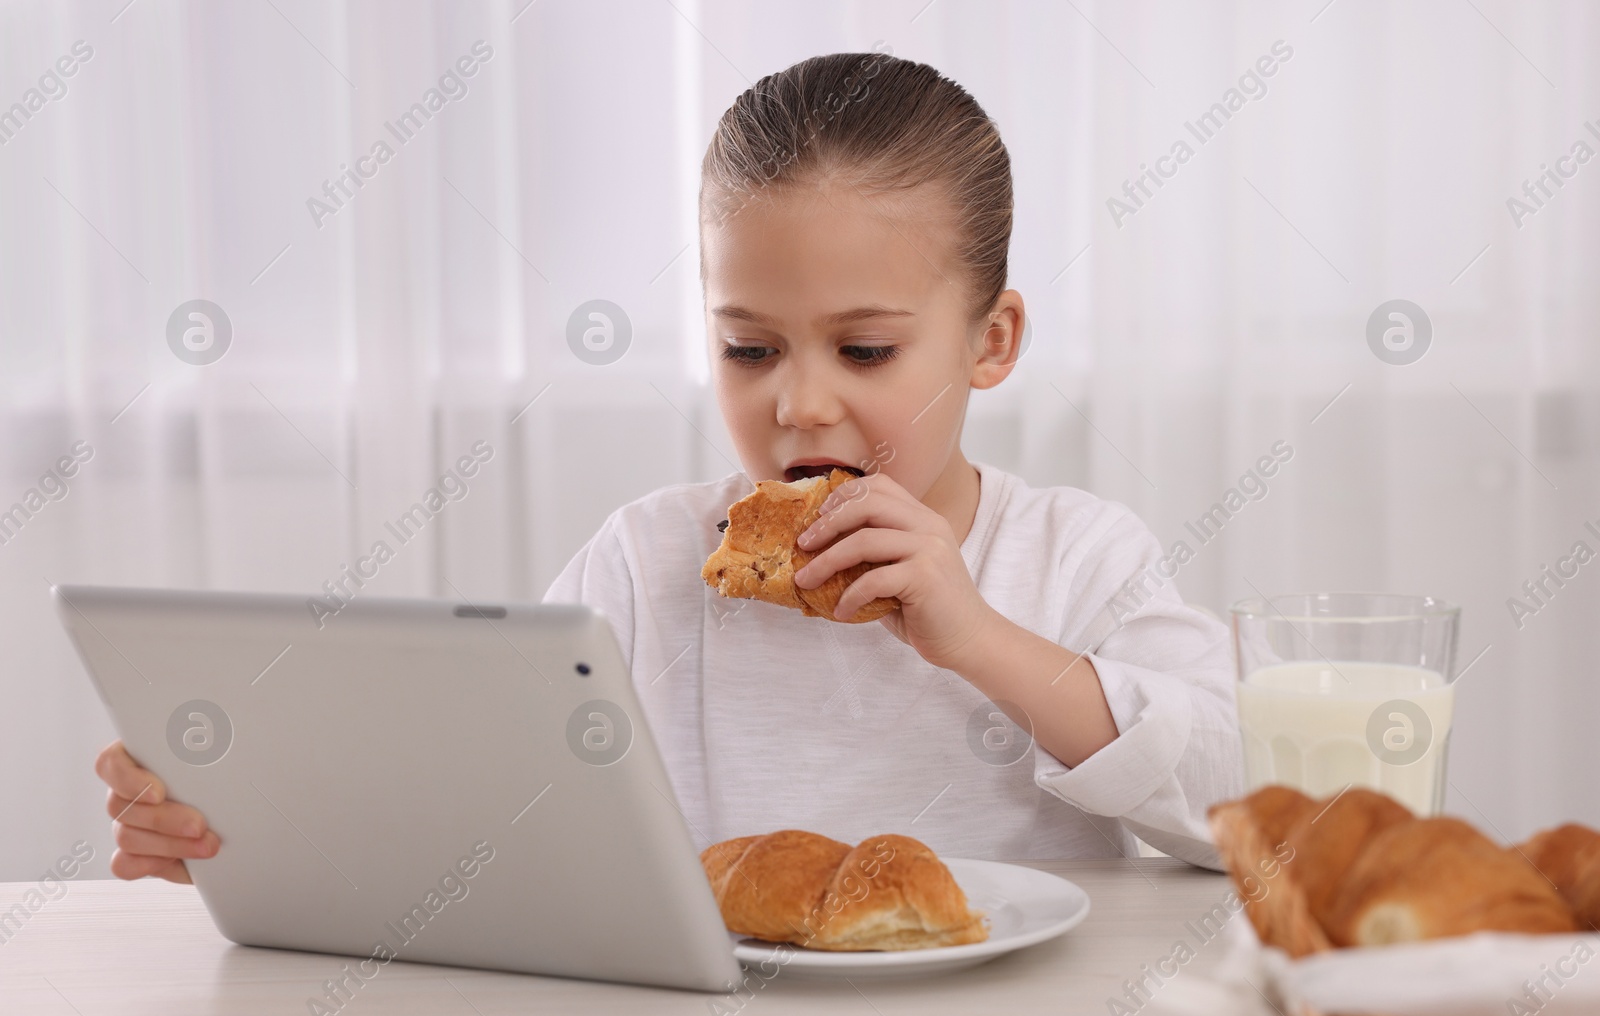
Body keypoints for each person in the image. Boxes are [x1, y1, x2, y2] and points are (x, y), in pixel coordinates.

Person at [94, 50, 1243, 884]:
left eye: (865, 349)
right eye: (747, 346)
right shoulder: (646, 566)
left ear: (989, 341)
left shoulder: (1080, 555)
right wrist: (237, 834)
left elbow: (1243, 808)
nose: (797, 401)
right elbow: (486, 825)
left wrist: (981, 638)